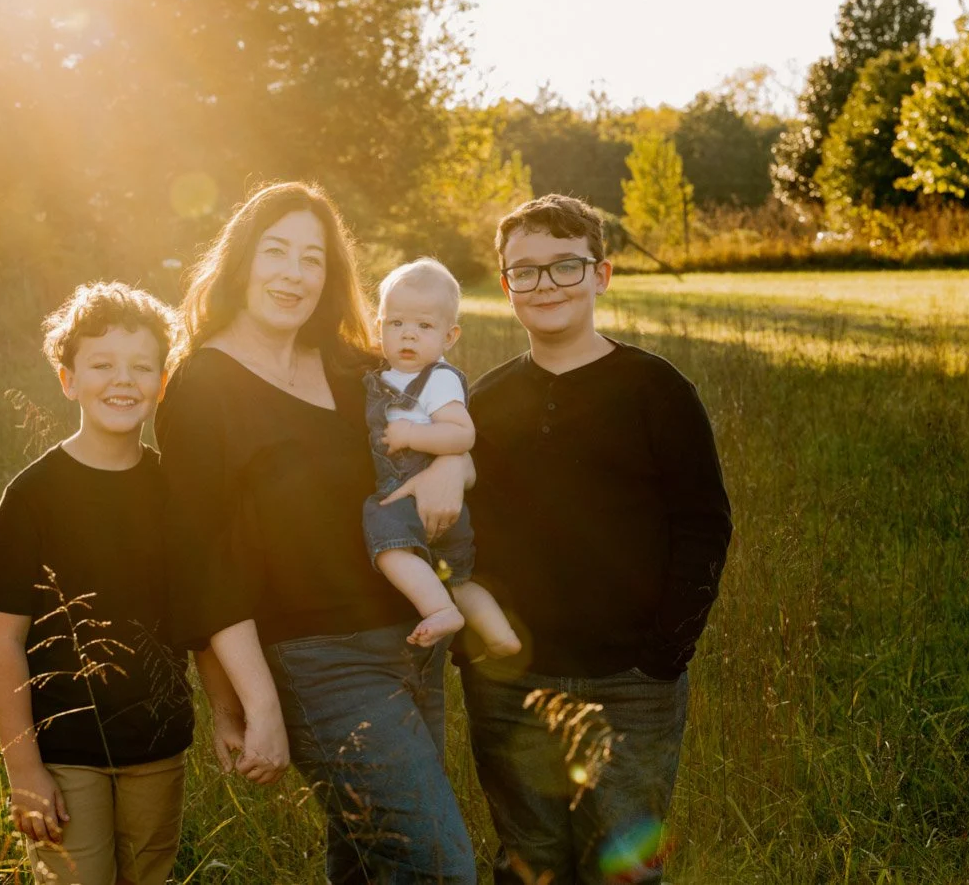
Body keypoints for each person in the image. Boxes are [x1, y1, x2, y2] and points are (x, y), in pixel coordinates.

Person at [158, 181, 474, 883]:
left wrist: (454, 465)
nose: (293, 274)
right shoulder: (202, 387)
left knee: (371, 861)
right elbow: (203, 566)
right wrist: (256, 703)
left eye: (313, 258)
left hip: (413, 643)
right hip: (318, 660)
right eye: (276, 252)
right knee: (437, 868)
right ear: (241, 260)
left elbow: (441, 419)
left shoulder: (352, 364)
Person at [463, 193, 732, 884]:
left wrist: (665, 653)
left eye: (564, 266)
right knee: (531, 862)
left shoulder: (656, 389)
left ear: (601, 274)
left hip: (632, 680)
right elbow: (457, 536)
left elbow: (703, 523)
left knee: (623, 867)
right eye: (526, 271)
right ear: (505, 285)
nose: (545, 284)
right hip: (511, 682)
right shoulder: (480, 405)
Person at [0, 282, 195, 885]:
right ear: (68, 379)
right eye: (102, 365)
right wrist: (23, 769)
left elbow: (204, 613)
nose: (122, 380)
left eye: (141, 366)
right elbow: (0, 641)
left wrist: (227, 711)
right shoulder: (33, 496)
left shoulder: (176, 489)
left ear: (161, 384)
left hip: (158, 745)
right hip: (63, 754)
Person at [363, 258, 519, 657]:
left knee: (387, 542)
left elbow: (462, 434)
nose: (408, 336)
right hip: (441, 506)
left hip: (415, 497)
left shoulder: (439, 379)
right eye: (395, 324)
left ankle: (438, 610)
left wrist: (412, 434)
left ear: (450, 337)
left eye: (424, 326)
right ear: (378, 325)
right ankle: (500, 636)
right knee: (459, 577)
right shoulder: (383, 375)